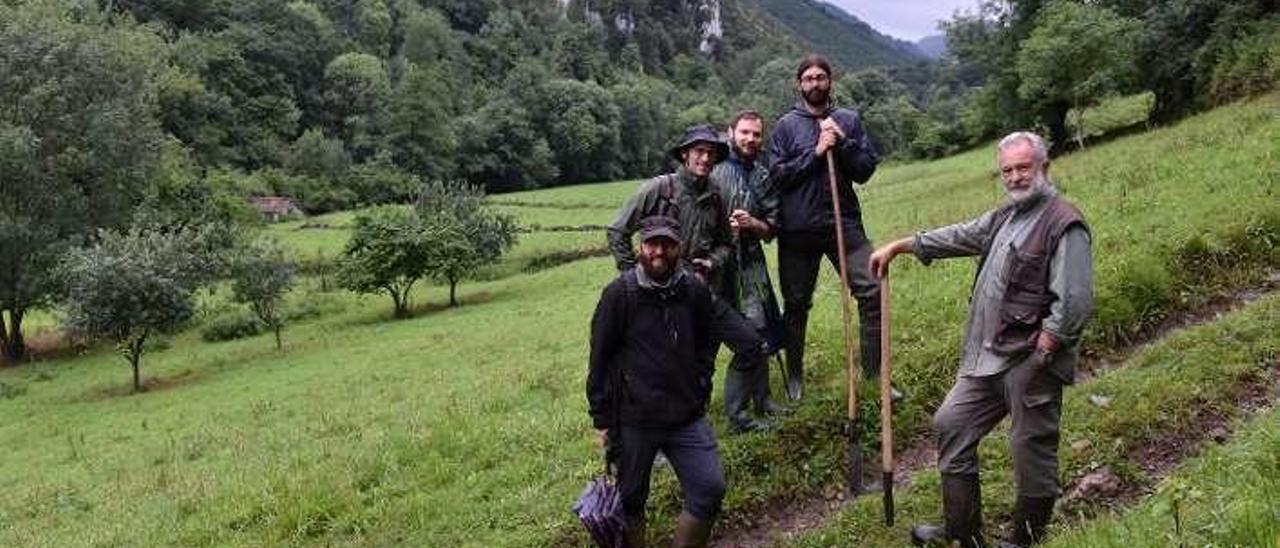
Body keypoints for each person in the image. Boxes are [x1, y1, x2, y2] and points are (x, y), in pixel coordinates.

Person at [868, 132, 1094, 548]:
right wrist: (902, 246)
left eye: (1023, 168)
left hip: (1030, 361)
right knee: (951, 424)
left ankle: (1024, 543)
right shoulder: (1006, 216)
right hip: (989, 358)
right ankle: (962, 535)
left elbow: (1074, 302)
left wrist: (1044, 351)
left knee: (1031, 452)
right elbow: (961, 235)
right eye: (1007, 170)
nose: (1014, 177)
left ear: (1044, 167)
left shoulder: (1064, 222)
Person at [607, 124, 770, 433]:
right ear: (685, 154)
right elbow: (617, 231)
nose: (705, 158)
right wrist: (635, 279)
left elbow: (726, 242)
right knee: (664, 369)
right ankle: (665, 438)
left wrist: (712, 261)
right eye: (699, 151)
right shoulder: (659, 189)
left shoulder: (716, 196)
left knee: (749, 346)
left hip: (705, 293)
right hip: (661, 299)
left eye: (711, 153)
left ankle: (736, 419)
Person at [587, 216, 727, 548]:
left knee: (709, 488)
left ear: (679, 247)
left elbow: (708, 340)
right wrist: (602, 418)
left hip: (685, 416)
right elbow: (600, 358)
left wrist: (702, 380)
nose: (659, 252)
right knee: (630, 500)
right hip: (635, 418)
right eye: (652, 244)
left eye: (667, 244)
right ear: (640, 247)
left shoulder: (693, 289)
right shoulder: (619, 295)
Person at [767, 53, 899, 402]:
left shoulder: (848, 120)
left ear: (830, 81)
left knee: (872, 289)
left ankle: (874, 373)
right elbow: (777, 177)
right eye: (808, 78)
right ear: (799, 84)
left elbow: (865, 170)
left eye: (820, 77)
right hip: (797, 231)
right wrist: (814, 152)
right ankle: (795, 377)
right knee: (796, 304)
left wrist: (842, 141)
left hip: (844, 224)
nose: (814, 83)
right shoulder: (784, 126)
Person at [711, 111, 787, 433]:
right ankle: (700, 413)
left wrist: (752, 224)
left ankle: (763, 398)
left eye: (756, 134)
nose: (750, 139)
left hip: (751, 265)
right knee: (708, 338)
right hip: (714, 267)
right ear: (731, 132)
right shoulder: (712, 167)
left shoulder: (762, 175)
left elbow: (773, 227)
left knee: (761, 330)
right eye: (744, 132)